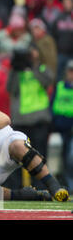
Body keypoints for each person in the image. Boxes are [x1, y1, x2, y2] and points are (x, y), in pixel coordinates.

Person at [7, 46, 54, 190]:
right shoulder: (17, 71)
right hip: (20, 120)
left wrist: (32, 66)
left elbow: (48, 81)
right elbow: (10, 88)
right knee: (17, 157)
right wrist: (16, 68)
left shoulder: (41, 69)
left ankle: (40, 186)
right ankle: (17, 187)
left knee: (39, 155)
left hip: (39, 119)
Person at [51, 60, 73, 192]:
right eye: (70, 70)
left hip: (70, 129)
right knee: (63, 161)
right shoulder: (59, 86)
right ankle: (67, 185)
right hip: (59, 128)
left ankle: (70, 186)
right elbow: (53, 104)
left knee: (70, 160)